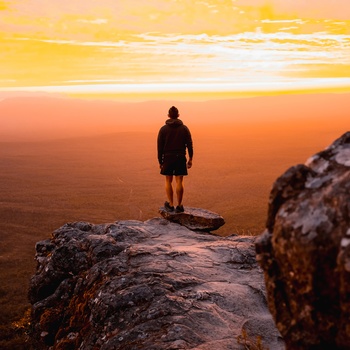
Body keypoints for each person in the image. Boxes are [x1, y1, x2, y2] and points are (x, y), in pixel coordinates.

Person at [157, 106, 193, 213]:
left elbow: (159, 147)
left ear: (168, 115)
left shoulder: (163, 129)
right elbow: (190, 145)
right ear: (178, 115)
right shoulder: (184, 128)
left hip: (168, 157)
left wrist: (160, 161)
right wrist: (190, 158)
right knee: (179, 181)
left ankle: (171, 204)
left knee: (168, 180)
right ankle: (180, 205)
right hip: (180, 157)